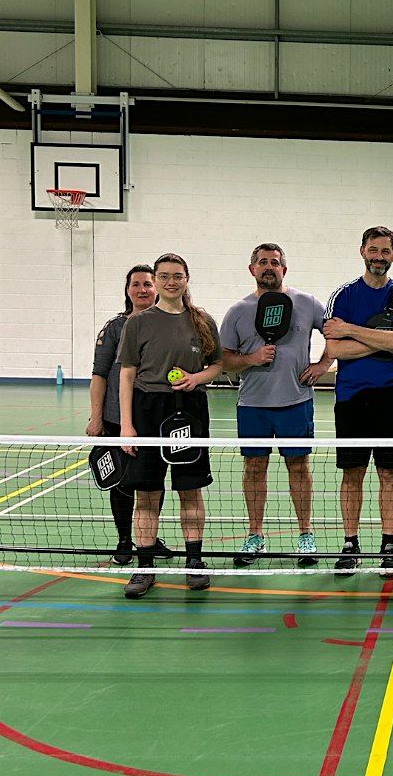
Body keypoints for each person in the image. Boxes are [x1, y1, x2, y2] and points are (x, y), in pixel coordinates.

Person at [219, 243, 331, 569]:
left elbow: (335, 334)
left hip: (296, 401)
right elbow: (224, 359)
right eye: (263, 262)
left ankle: (306, 535)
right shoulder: (238, 311)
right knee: (254, 468)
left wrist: (323, 364)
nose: (269, 267)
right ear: (252, 269)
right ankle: (255, 535)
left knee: (299, 467)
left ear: (284, 268)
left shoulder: (307, 303)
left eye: (275, 262)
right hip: (253, 405)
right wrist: (250, 359)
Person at [117, 253, 222, 598]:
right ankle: (145, 568)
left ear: (186, 279)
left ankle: (194, 562)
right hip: (148, 409)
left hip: (190, 410)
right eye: (164, 276)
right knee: (147, 494)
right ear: (156, 280)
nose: (171, 282)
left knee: (190, 490)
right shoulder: (138, 322)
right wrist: (127, 425)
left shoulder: (202, 320)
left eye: (177, 276)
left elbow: (216, 365)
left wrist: (196, 378)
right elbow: (127, 374)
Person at [322, 227, 393, 575]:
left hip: (392, 395)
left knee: (388, 472)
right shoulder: (342, 295)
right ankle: (350, 543)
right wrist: (382, 339)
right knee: (353, 472)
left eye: (385, 251)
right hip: (351, 395)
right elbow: (334, 350)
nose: (379, 257)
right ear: (362, 250)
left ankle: (388, 544)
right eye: (373, 250)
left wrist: (351, 330)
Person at [87, 264, 176, 565]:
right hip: (117, 419)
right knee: (122, 482)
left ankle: (147, 540)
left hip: (154, 418)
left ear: (156, 288)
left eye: (147, 284)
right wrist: (96, 417)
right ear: (127, 290)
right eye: (135, 284)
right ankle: (125, 542)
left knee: (153, 483)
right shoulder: (115, 327)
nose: (142, 289)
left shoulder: (168, 324)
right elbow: (99, 374)